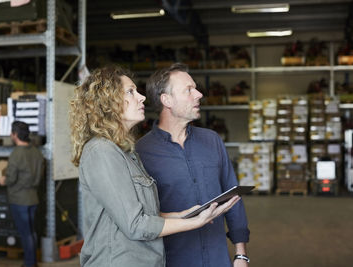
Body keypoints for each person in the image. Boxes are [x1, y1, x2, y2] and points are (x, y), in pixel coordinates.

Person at [69, 65, 241, 267]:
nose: (141, 97)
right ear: (108, 102)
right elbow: (135, 224)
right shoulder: (101, 152)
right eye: (131, 91)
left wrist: (185, 214)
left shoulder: (126, 153)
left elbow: (144, 214)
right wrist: (193, 222)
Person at [136, 63, 250, 267]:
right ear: (166, 100)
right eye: (189, 90)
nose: (199, 94)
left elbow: (233, 197)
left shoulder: (212, 141)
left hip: (218, 259)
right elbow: (140, 217)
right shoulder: (141, 152)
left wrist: (240, 254)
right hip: (173, 260)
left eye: (195, 88)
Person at [0, 121, 44, 267]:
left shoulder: (16, 155)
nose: (11, 136)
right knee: (31, 233)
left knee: (26, 235)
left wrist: (3, 180)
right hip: (33, 199)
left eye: (12, 133)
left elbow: (11, 179)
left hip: (19, 200)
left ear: (15, 135)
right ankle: (32, 263)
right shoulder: (37, 153)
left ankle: (29, 264)